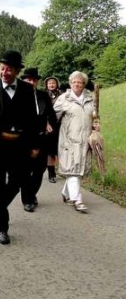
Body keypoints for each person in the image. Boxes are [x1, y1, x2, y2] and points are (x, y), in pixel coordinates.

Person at [0, 50, 39, 244]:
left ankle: (0, 206)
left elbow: (32, 119)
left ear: (17, 71)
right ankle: (2, 227)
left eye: (9, 69)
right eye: (2, 68)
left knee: (19, 181)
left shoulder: (28, 90)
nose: (4, 72)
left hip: (20, 146)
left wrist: (34, 144)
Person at [53, 70, 97, 212]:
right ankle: (77, 200)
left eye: (80, 82)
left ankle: (66, 193)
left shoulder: (90, 98)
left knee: (78, 169)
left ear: (84, 84)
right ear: (70, 83)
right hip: (69, 140)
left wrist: (96, 124)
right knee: (73, 170)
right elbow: (53, 117)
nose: (77, 84)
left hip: (85, 140)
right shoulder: (64, 98)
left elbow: (95, 116)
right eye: (74, 82)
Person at [20, 68, 57, 212]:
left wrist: (49, 123)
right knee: (25, 170)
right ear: (23, 81)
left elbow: (51, 114)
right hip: (24, 139)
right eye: (28, 79)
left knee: (40, 169)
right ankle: (27, 199)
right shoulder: (17, 97)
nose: (31, 82)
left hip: (41, 138)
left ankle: (32, 193)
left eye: (34, 79)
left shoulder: (43, 95)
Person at [44, 76, 63, 183]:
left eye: (53, 83)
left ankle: (62, 169)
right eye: (49, 83)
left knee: (59, 148)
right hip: (49, 124)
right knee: (50, 149)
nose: (51, 85)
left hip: (61, 124)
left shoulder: (62, 95)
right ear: (46, 85)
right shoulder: (44, 95)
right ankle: (51, 172)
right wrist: (46, 123)